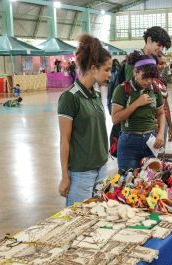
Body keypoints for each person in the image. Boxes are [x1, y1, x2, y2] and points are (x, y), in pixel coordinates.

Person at [57, 34, 112, 207]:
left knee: (97, 218)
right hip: (81, 173)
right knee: (77, 222)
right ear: (94, 68)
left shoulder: (95, 95)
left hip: (101, 168)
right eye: (107, 69)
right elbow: (64, 140)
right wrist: (65, 176)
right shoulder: (70, 97)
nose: (110, 74)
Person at [111, 51, 165, 172]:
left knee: (153, 181)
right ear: (136, 72)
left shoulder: (155, 89)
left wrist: (161, 133)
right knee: (128, 182)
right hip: (129, 143)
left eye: (152, 78)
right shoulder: (122, 90)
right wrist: (137, 103)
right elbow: (115, 119)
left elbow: (161, 113)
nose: (149, 81)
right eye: (145, 77)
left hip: (152, 141)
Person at [155, 53, 172, 146]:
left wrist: (170, 126)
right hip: (151, 126)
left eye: (164, 63)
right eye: (159, 63)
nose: (162, 66)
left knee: (160, 154)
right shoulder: (145, 83)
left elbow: (166, 107)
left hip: (163, 124)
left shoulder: (161, 83)